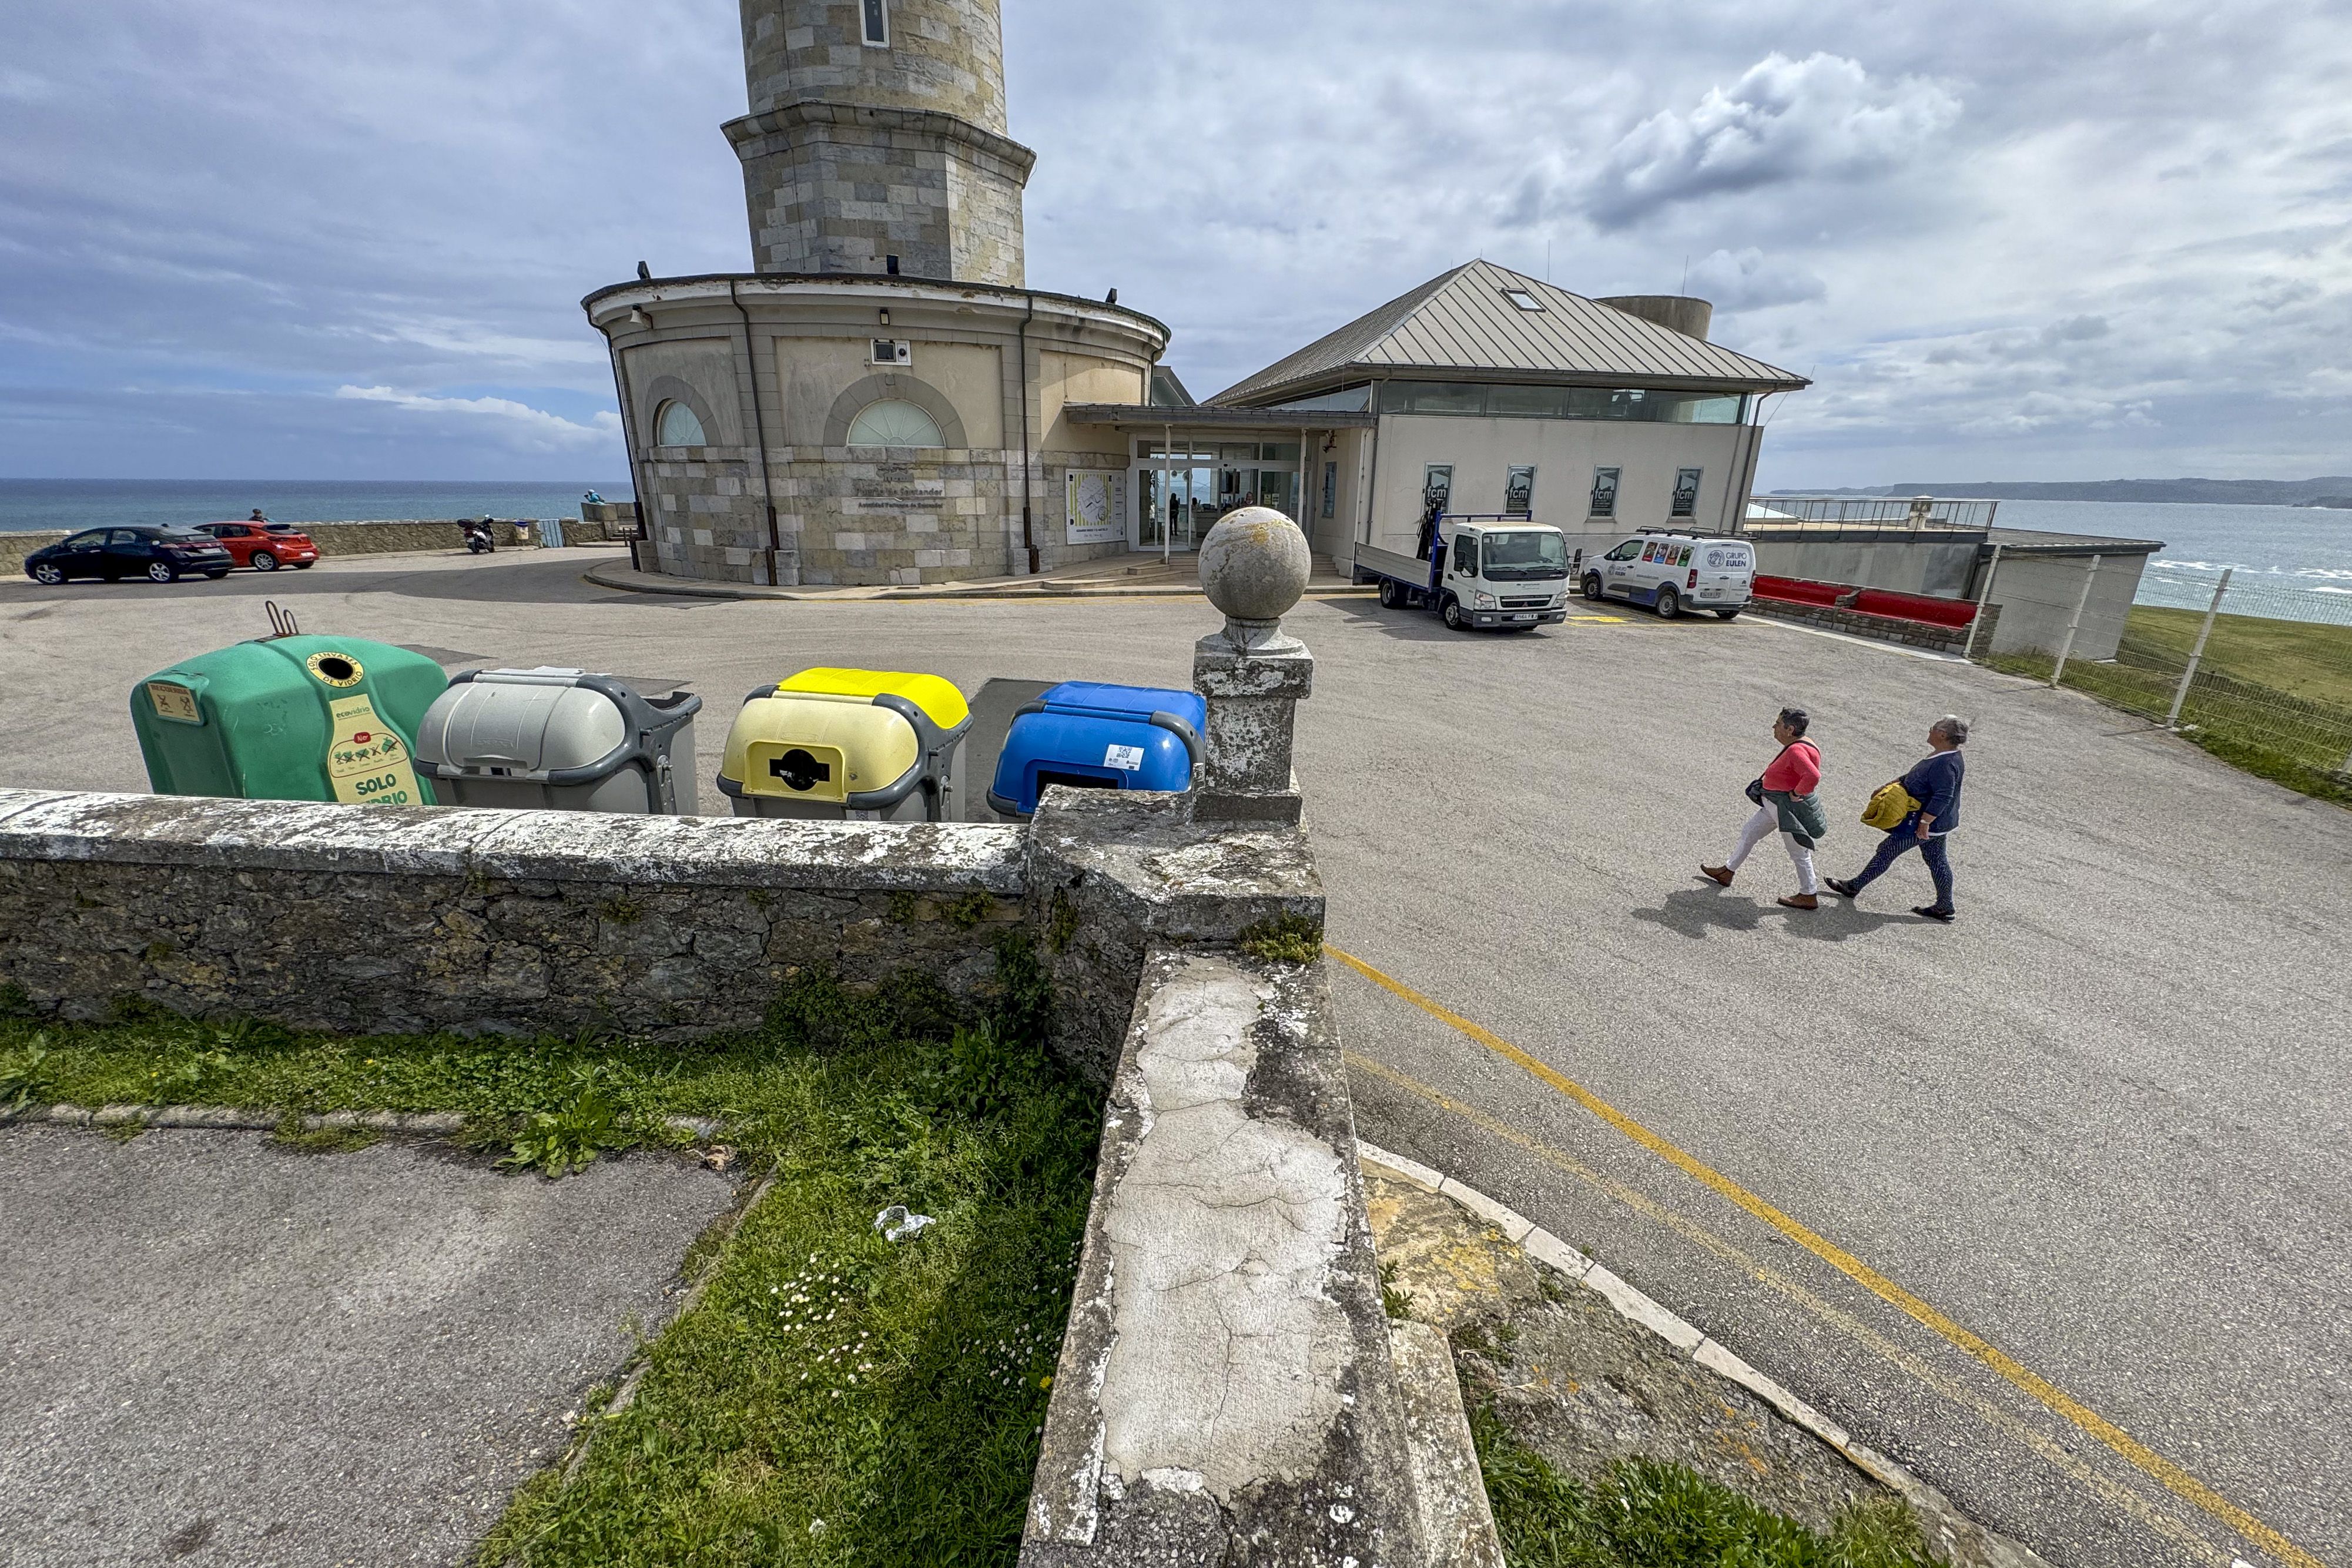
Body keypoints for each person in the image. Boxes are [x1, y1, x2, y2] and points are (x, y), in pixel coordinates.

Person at [1827, 716, 1968, 922]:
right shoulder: (1946, 755)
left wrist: (1925, 823)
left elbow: (1943, 796)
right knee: (1937, 860)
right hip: (1937, 824)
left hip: (1923, 822)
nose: (1930, 729)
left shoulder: (1944, 763)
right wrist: (1891, 784)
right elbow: (1918, 776)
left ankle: (1854, 886)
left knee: (1887, 850)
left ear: (1943, 735)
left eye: (1934, 728)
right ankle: (1945, 905)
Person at [1702, 707, 1828, 910]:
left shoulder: (1796, 750)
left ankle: (1809, 894)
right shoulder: (1804, 743)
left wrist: (1796, 794)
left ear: (1790, 729)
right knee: (1749, 832)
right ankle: (1728, 871)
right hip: (1774, 805)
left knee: (1798, 851)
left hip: (1784, 808)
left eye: (1778, 724)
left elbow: (1813, 776)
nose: (1774, 727)